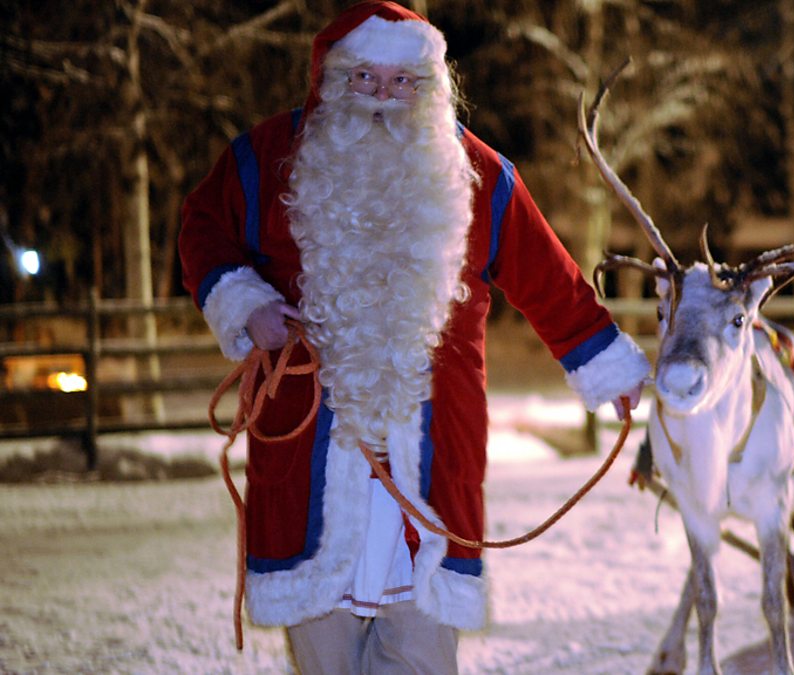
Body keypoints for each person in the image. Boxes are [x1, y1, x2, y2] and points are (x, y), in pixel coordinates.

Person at [177, 2, 649, 672]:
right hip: (306, 462)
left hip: (431, 469)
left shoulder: (479, 175)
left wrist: (609, 365)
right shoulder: (268, 159)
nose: (383, 98)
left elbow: (548, 275)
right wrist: (244, 301)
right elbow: (200, 226)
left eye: (405, 82)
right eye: (365, 78)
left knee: (423, 656)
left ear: (433, 88)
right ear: (330, 80)